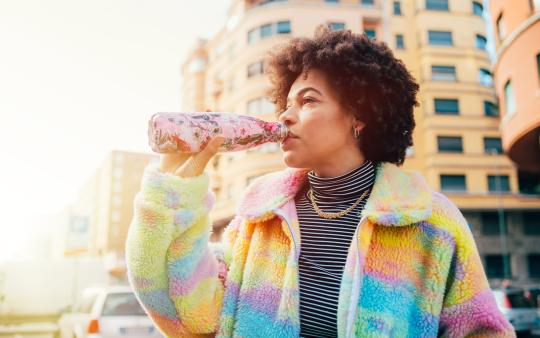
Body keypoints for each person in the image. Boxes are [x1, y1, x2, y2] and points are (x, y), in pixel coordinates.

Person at [126, 25, 515, 337]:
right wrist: (172, 191)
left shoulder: (431, 222)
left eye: (308, 101)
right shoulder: (260, 218)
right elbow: (189, 316)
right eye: (286, 104)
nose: (285, 118)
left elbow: (481, 330)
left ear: (359, 117)